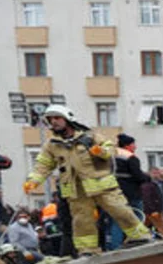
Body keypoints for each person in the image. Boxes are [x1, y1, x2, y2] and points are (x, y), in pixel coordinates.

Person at [23, 105, 151, 256]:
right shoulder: (52, 145)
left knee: (120, 210)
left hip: (101, 184)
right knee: (81, 221)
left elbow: (110, 150)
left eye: (57, 118)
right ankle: (87, 249)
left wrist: (101, 151)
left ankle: (140, 236)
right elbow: (43, 165)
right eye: (50, 120)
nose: (54, 122)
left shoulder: (89, 136)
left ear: (68, 119)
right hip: (75, 189)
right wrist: (34, 180)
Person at [111, 134, 150, 249]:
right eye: (133, 144)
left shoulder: (111, 156)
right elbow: (138, 176)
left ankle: (115, 245)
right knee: (137, 217)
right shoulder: (130, 157)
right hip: (131, 193)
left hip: (114, 193)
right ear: (127, 145)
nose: (135, 147)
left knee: (118, 219)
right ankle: (137, 241)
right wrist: (147, 178)